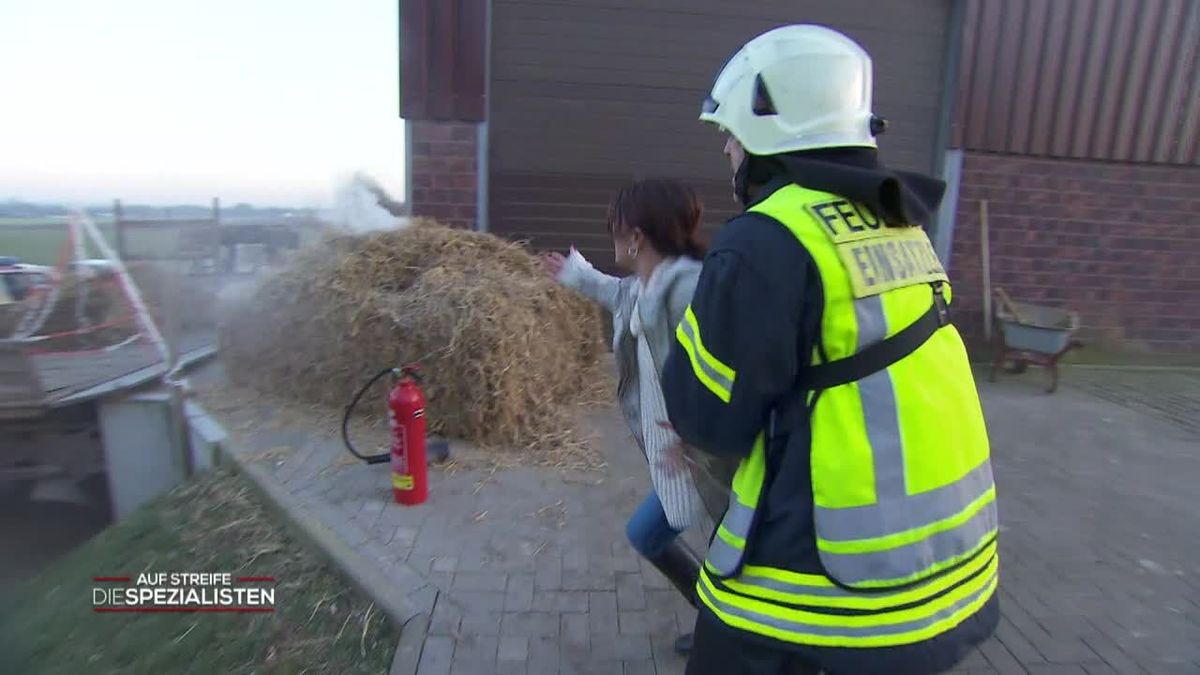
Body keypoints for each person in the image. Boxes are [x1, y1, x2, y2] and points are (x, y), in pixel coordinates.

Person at [660, 25, 1000, 675]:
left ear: (767, 125)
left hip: (829, 578)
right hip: (948, 570)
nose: (727, 150)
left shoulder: (765, 239)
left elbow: (709, 418)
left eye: (729, 134)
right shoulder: (903, 222)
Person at [541, 179, 710, 654]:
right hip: (681, 455)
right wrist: (576, 274)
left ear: (636, 235)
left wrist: (694, 437)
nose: (611, 237)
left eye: (615, 229)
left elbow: (724, 373)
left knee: (686, 542)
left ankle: (728, 634)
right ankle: (718, 623)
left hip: (711, 459)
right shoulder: (650, 283)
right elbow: (622, 296)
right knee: (652, 534)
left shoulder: (688, 289)